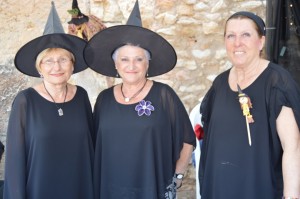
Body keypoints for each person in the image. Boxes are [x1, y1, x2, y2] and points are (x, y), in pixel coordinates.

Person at [84, 1, 196, 198]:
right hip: (109, 189)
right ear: (116, 65)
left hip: (152, 188)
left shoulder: (164, 96)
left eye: (139, 59)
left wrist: (178, 175)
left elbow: (187, 139)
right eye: (124, 59)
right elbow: (93, 144)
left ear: (147, 63)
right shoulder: (104, 100)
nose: (131, 65)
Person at [199, 11, 300, 199]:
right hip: (219, 189)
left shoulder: (277, 82)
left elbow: (292, 147)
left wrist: (292, 195)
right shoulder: (219, 85)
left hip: (259, 189)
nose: (238, 43)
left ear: (261, 42)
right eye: (231, 36)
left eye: (246, 34)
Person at [4, 2, 94, 199]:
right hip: (39, 190)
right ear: (39, 68)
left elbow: (92, 147)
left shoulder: (81, 96)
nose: (57, 67)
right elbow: (15, 161)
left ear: (72, 65)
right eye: (49, 61)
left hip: (80, 189)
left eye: (63, 59)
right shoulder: (25, 101)